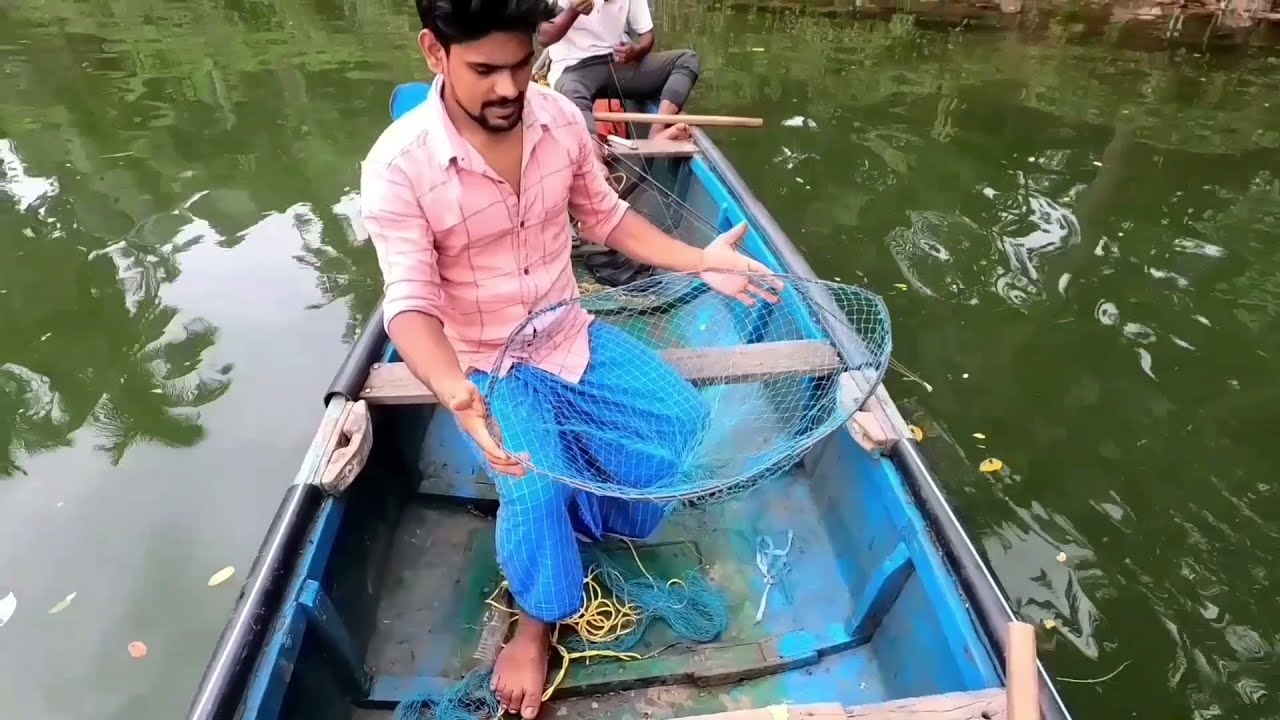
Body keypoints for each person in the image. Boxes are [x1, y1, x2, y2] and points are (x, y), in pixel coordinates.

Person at [359, 1, 775, 718]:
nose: (507, 89)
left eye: (520, 65)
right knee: (532, 486)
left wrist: (700, 261)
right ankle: (535, 624)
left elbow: (607, 218)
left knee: (676, 418)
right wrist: (457, 392)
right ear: (435, 52)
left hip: (566, 334)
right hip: (486, 363)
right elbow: (409, 305)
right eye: (484, 70)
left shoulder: (557, 121)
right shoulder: (399, 166)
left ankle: (589, 517)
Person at [537, 0, 699, 138]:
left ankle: (658, 129)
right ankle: (594, 160)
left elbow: (647, 35)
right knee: (573, 99)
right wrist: (573, 11)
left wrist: (636, 50)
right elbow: (544, 38)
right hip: (573, 68)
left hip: (618, 64)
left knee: (686, 59)